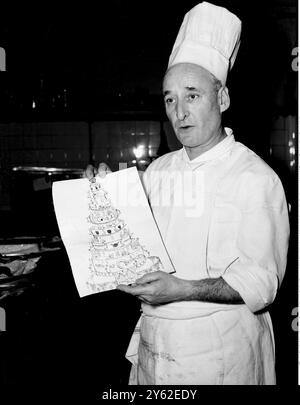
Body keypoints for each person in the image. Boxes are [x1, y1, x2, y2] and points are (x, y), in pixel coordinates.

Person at [85, 2, 289, 385]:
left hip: (221, 355)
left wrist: (181, 290)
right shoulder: (159, 171)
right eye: (170, 98)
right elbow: (129, 247)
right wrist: (102, 195)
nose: (179, 111)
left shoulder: (255, 178)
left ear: (222, 99)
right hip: (154, 348)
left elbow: (261, 283)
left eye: (192, 95)